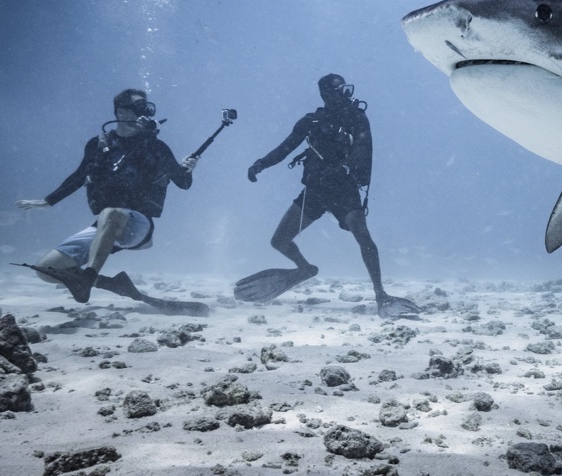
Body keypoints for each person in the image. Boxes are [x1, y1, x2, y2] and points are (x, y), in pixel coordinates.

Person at [237, 73, 419, 318]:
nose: (347, 94)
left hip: (344, 188)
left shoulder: (356, 117)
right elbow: (285, 148)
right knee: (279, 240)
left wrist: (343, 167)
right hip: (315, 190)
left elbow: (363, 150)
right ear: (325, 95)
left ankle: (381, 295)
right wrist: (261, 163)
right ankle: (304, 269)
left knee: (363, 237)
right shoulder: (311, 121)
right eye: (340, 90)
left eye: (347, 89)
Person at [15, 88, 198, 303]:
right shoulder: (98, 144)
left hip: (139, 225)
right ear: (120, 112)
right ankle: (112, 284)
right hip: (105, 225)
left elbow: (183, 183)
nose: (144, 115)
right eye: (138, 108)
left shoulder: (155, 146)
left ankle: (88, 278)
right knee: (46, 269)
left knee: (111, 213)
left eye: (146, 109)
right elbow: (79, 175)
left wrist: (189, 168)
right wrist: (48, 201)